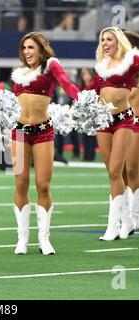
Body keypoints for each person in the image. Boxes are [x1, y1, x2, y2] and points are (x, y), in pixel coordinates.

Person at [10, 32, 79, 255]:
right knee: (21, 183)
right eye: (24, 48)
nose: (27, 52)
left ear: (41, 49)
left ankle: (44, 238)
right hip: (19, 132)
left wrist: (82, 99)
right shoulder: (18, 74)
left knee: (43, 185)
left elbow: (66, 84)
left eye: (31, 47)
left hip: (43, 132)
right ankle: (22, 239)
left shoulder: (51, 66)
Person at [86, 27, 139, 241]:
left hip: (124, 121)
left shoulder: (130, 63)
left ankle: (113, 225)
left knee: (120, 169)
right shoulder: (102, 67)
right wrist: (77, 104)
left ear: (119, 42)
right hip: (103, 121)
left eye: (109, 39)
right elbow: (91, 89)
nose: (105, 43)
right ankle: (126, 221)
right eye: (102, 40)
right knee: (113, 173)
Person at [123, 30, 139, 230]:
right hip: (122, 123)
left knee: (132, 168)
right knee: (121, 171)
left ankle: (135, 216)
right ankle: (126, 215)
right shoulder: (117, 71)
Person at [77, 67, 97, 161]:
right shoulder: (80, 86)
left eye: (87, 74)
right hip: (83, 114)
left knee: (92, 135)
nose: (85, 76)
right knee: (84, 135)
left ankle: (91, 155)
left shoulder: (94, 86)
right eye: (83, 74)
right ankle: (85, 155)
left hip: (93, 114)